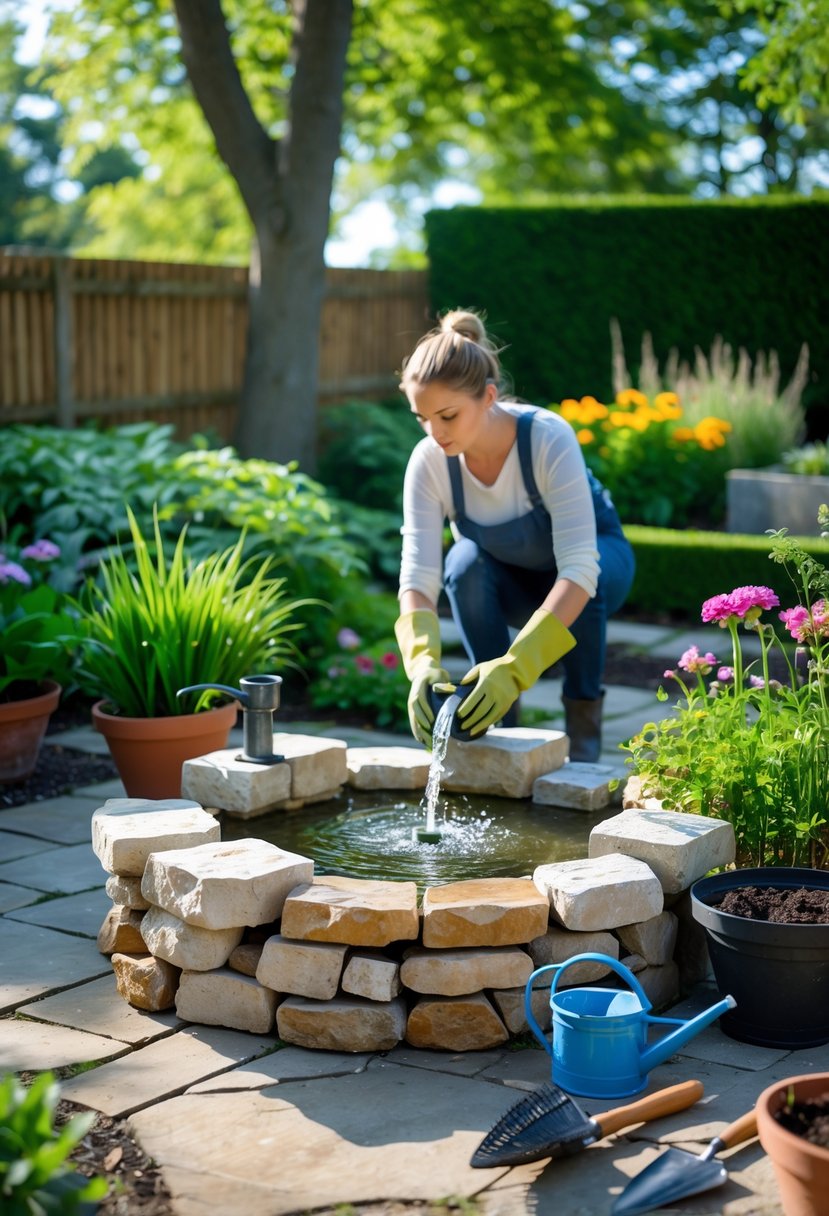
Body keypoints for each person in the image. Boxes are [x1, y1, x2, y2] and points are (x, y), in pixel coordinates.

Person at [393, 309, 635, 761]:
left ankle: (583, 736)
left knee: (588, 578)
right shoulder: (428, 461)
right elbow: (417, 578)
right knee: (462, 564)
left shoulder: (546, 438)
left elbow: (580, 569)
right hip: (513, 578)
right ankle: (501, 724)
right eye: (422, 418)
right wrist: (420, 663)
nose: (434, 432)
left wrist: (517, 667)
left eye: (447, 415)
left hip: (593, 574)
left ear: (487, 396)